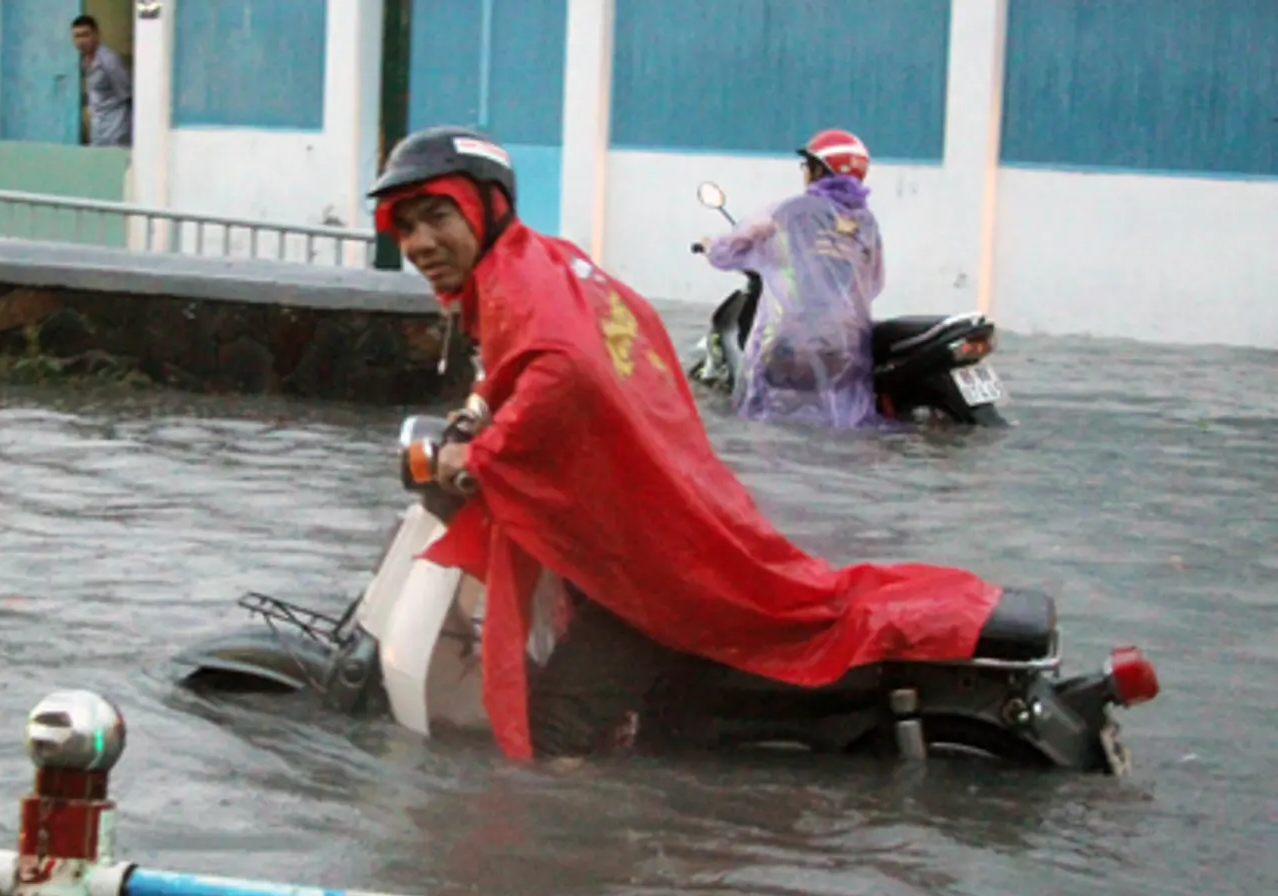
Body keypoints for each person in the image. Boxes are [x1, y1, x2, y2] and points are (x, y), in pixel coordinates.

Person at [369, 125, 1003, 763]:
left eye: (437, 216)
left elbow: (565, 367)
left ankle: (566, 850)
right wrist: (482, 407)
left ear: (486, 205)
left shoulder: (518, 280)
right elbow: (566, 358)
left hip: (649, 561)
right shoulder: (551, 261)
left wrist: (479, 455)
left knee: (547, 737)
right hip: (675, 511)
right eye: (406, 225)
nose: (419, 242)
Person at [698, 128, 885, 428]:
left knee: (759, 421)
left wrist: (711, 246)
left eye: (807, 166)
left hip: (789, 344)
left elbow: (729, 251)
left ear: (818, 170)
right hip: (847, 349)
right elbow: (873, 284)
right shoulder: (866, 223)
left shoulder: (790, 212)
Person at [70, 14, 132, 148]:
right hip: (98, 129)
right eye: (77, 36)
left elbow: (127, 94)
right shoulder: (82, 61)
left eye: (85, 35)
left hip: (116, 130)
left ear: (96, 35)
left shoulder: (108, 60)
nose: (81, 41)